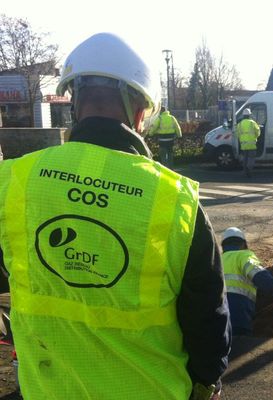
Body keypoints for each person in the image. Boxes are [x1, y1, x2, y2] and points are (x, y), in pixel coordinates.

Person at [0, 33, 230, 400]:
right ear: (139, 112)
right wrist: (206, 382)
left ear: (75, 103)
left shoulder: (13, 181)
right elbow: (207, 318)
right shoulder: (176, 201)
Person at [221, 227, 273, 335]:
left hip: (216, 318)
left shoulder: (217, 260)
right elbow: (258, 275)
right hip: (239, 316)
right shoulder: (243, 256)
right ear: (243, 244)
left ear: (223, 246)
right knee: (242, 347)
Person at [235, 108, 261, 177]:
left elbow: (237, 134)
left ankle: (245, 171)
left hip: (243, 145)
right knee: (251, 158)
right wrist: (255, 137)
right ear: (249, 115)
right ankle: (249, 169)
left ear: (243, 115)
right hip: (252, 144)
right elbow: (258, 132)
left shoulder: (240, 124)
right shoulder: (252, 123)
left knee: (245, 158)